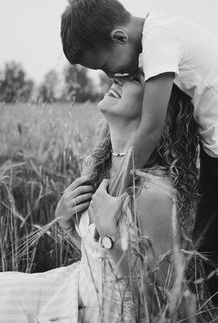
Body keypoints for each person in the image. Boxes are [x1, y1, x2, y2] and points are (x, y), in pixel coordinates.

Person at [60, 0, 218, 303]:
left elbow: (151, 127)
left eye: (104, 64)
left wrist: (111, 196)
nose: (112, 76)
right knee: (209, 246)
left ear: (119, 36)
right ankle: (212, 309)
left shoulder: (160, 39)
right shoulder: (156, 39)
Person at [0, 76, 199, 322]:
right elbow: (98, 263)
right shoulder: (95, 166)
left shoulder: (153, 192)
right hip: (74, 289)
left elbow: (166, 303)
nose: (116, 79)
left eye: (134, 79)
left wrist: (110, 235)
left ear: (157, 107)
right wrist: (64, 223)